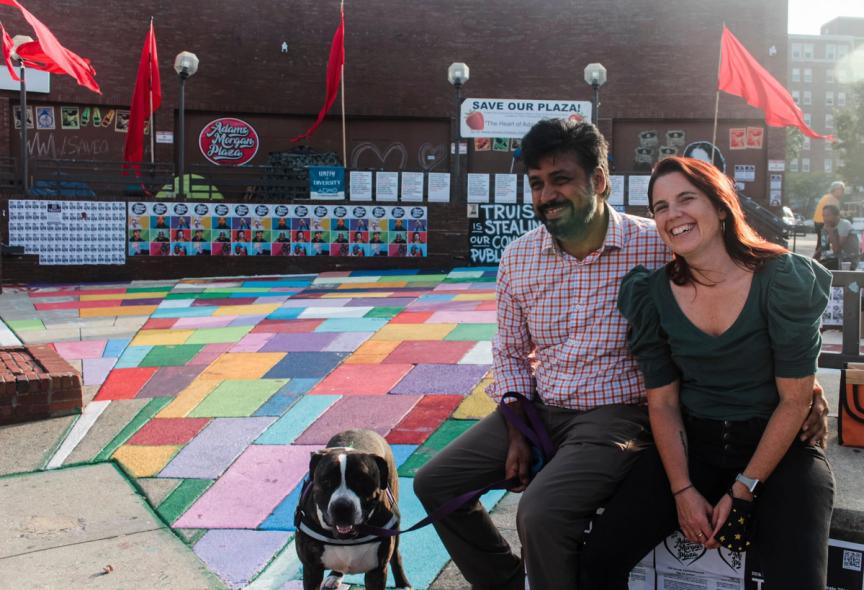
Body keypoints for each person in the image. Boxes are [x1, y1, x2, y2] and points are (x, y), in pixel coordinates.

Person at [414, 120, 829, 590]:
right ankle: (505, 582)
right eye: (537, 183)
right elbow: (509, 351)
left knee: (539, 512)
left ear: (598, 180)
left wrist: (803, 387)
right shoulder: (518, 258)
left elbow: (737, 285)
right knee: (433, 482)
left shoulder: (658, 243)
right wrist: (516, 423)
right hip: (543, 407)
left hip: (616, 414)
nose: (547, 195)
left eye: (561, 179)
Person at [580, 157, 834, 589]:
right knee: (598, 563)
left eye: (686, 199)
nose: (673, 214)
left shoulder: (781, 278)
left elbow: (795, 401)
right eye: (660, 207)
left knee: (799, 579)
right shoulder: (652, 295)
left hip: (778, 449)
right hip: (693, 447)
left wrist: (743, 489)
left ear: (720, 206)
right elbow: (663, 402)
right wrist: (682, 490)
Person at [813, 204, 859, 270]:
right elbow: (824, 247)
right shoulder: (827, 226)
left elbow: (836, 250)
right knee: (813, 267)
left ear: (836, 216)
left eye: (828, 215)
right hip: (836, 260)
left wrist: (830, 231)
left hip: (848, 262)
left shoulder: (844, 224)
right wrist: (813, 259)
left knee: (819, 268)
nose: (825, 218)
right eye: (824, 216)